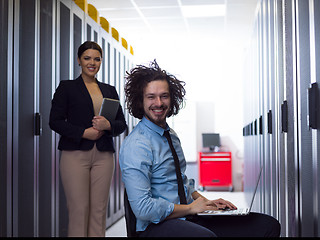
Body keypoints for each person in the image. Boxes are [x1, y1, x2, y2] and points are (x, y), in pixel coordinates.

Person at [119, 60, 280, 237]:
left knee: (267, 225)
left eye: (164, 96)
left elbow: (182, 183)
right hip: (155, 226)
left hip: (188, 216)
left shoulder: (170, 135)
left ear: (172, 98)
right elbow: (143, 209)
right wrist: (189, 208)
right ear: (140, 101)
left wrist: (207, 202)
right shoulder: (136, 145)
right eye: (151, 97)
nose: (159, 103)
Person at [49, 41, 127, 237]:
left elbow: (121, 124)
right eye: (87, 58)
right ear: (79, 60)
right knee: (79, 209)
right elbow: (55, 121)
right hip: (75, 154)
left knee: (99, 210)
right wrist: (83, 132)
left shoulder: (109, 90)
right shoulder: (66, 87)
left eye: (97, 59)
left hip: (104, 156)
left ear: (101, 61)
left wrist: (107, 126)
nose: (92, 62)